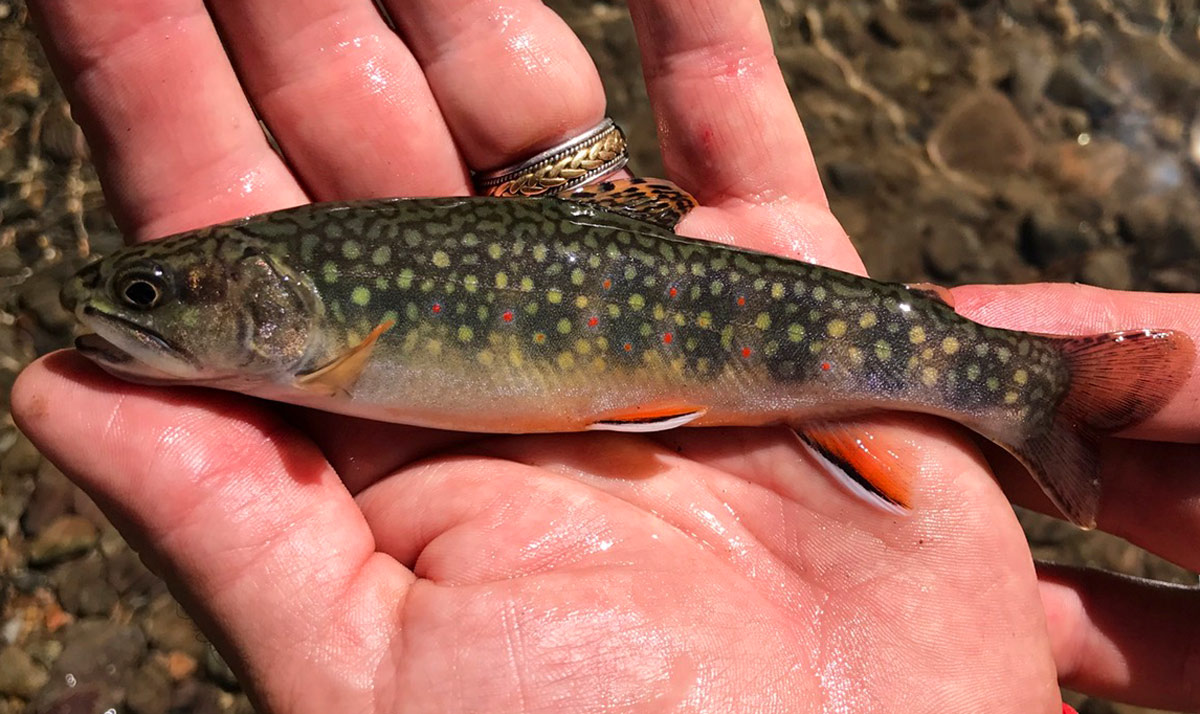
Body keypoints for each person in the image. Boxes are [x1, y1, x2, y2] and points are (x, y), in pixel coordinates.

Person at [12, 0, 1200, 712]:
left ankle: (1033, 394)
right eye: (140, 295)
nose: (117, 314)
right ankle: (1031, 392)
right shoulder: (295, 311)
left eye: (149, 294)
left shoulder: (312, 336)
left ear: (257, 301)